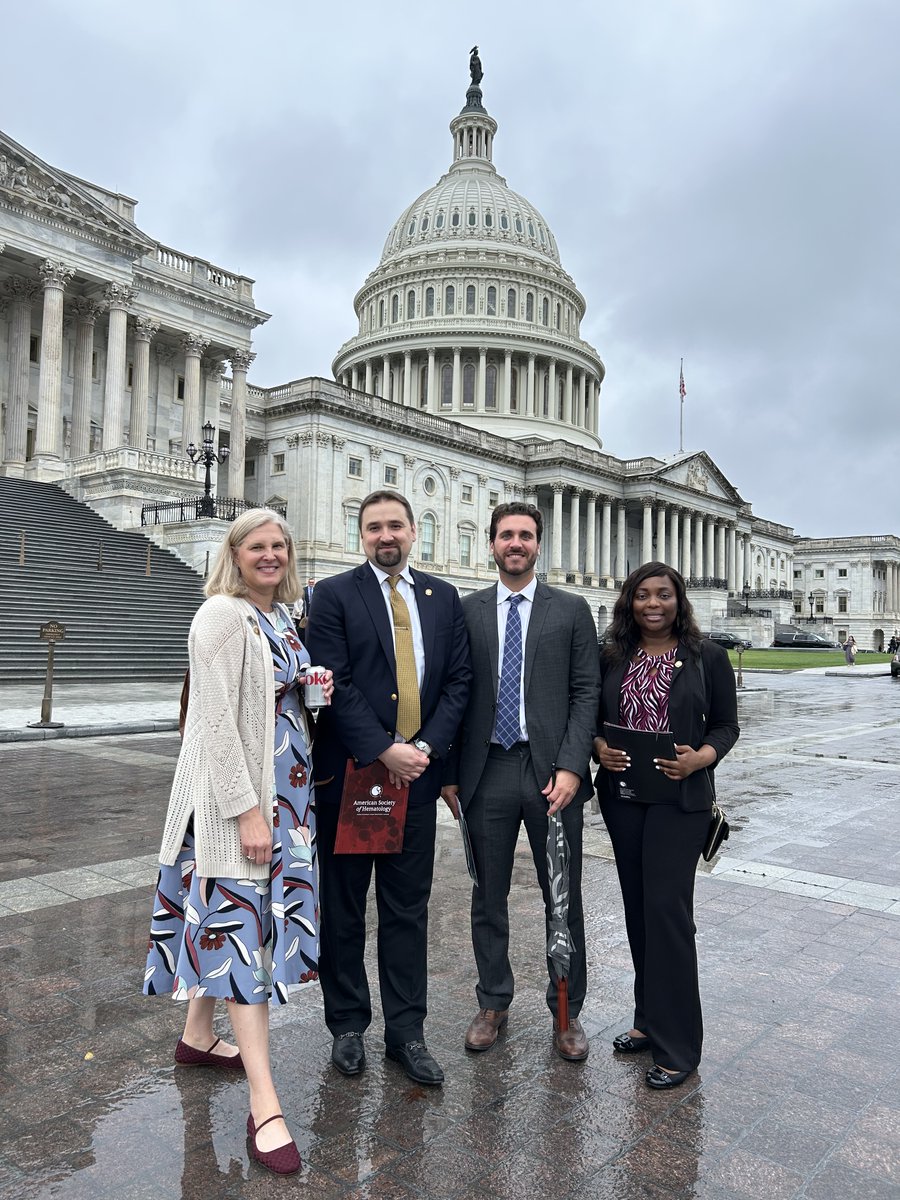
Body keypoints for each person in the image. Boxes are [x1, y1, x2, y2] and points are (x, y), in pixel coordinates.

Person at [143, 509, 333, 1175]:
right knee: (241, 936)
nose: (271, 555)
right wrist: (247, 813)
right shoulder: (220, 616)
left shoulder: (279, 616)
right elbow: (216, 723)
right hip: (243, 804)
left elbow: (275, 698)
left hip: (288, 796)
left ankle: (198, 1035)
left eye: (280, 545)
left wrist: (311, 689)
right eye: (258, 546)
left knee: (235, 926)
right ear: (234, 552)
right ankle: (265, 1104)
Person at [305, 490, 471, 1086]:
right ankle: (347, 1026)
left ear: (413, 531)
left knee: (407, 910)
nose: (386, 536)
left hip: (416, 781)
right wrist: (385, 749)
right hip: (351, 777)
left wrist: (422, 750)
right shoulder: (333, 595)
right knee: (344, 909)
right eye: (374, 527)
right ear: (361, 535)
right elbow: (335, 681)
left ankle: (407, 1033)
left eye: (395, 525)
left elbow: (458, 682)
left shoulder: (442, 597)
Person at [441, 502, 599, 1061]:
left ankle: (566, 1010)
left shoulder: (571, 610)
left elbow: (586, 692)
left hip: (551, 774)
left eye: (525, 535)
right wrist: (449, 773)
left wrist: (572, 767)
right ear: (492, 544)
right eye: (506, 535)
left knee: (563, 895)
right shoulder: (468, 611)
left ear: (538, 544)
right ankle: (493, 1002)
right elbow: (453, 692)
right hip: (486, 771)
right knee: (488, 895)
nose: (516, 543)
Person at [594, 562, 739, 1090]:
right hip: (624, 797)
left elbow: (726, 726)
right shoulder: (612, 655)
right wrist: (598, 747)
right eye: (642, 595)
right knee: (638, 908)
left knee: (668, 913)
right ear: (629, 602)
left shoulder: (707, 657)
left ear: (679, 600)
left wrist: (701, 758)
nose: (653, 604)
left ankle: (679, 1046)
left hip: (680, 800)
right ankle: (648, 1019)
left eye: (663, 594)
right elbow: (591, 716)